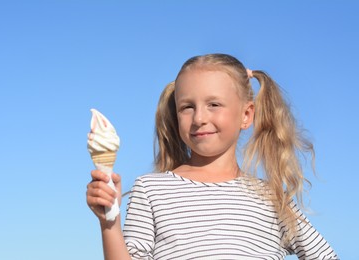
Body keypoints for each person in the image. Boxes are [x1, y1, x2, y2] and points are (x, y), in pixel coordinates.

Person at [86, 53, 339, 259]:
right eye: (187, 107)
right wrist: (109, 221)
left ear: (246, 115)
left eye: (214, 105)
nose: (199, 118)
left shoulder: (272, 198)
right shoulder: (151, 190)